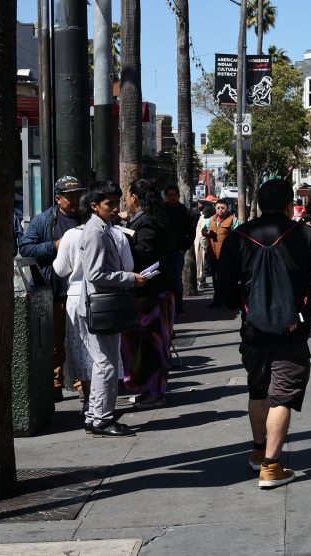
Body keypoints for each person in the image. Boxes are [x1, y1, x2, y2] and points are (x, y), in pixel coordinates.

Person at [216, 178, 311, 489]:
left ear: (258, 202)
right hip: (291, 331)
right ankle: (271, 467)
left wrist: (243, 310)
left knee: (257, 390)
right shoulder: (307, 235)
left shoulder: (239, 236)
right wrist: (308, 313)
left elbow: (224, 286)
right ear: (288, 204)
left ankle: (258, 452)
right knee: (282, 395)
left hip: (253, 330)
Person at [80, 181, 147, 437]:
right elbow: (95, 274)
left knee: (104, 363)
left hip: (106, 304)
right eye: (110, 204)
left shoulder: (104, 227)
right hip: (103, 304)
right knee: (106, 364)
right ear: (95, 206)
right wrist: (130, 278)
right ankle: (101, 418)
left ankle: (95, 415)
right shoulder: (95, 231)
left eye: (116, 202)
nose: (115, 208)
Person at [20, 175, 87, 401]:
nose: (75, 199)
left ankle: (82, 386)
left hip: (82, 294)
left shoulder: (87, 218)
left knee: (81, 342)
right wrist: (54, 246)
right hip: (56, 293)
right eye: (70, 196)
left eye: (78, 194)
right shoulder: (44, 221)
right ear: (58, 198)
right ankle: (56, 385)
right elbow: (26, 248)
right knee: (56, 345)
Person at [122, 179, 176, 409]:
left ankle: (153, 393)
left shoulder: (146, 224)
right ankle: (149, 391)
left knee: (149, 345)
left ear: (134, 197)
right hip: (154, 293)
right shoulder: (151, 219)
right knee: (147, 345)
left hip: (149, 294)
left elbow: (142, 253)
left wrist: (122, 239)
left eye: (126, 195)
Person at [164, 185, 196, 315]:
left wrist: (184, 248)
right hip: (163, 251)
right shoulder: (162, 210)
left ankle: (178, 306)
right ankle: (165, 307)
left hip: (177, 251)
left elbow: (191, 233)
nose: (171, 197)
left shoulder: (185, 212)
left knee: (176, 280)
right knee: (164, 280)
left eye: (174, 195)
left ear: (178, 196)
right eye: (169, 195)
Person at [203, 199, 240, 306]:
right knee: (215, 279)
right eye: (218, 208)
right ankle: (217, 300)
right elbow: (203, 230)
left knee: (227, 279)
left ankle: (228, 300)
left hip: (227, 256)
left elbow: (238, 234)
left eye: (223, 208)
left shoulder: (233, 220)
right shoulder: (211, 220)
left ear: (227, 209)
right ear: (215, 208)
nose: (220, 210)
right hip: (213, 254)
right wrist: (207, 232)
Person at [194, 196, 217, 289]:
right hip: (201, 244)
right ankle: (201, 281)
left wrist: (205, 246)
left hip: (201, 244)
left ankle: (201, 281)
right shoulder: (206, 217)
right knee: (201, 263)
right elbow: (202, 233)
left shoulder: (204, 216)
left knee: (201, 263)